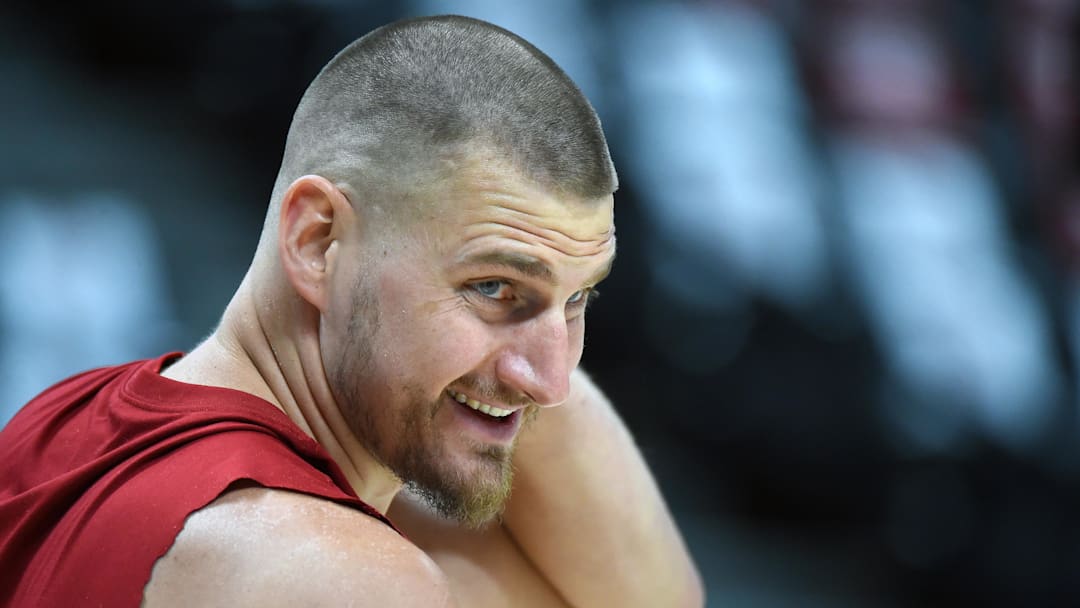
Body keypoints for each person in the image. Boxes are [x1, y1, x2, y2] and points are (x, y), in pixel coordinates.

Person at [0, 15, 704, 607]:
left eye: (578, 297)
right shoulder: (344, 576)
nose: (551, 381)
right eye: (494, 287)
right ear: (317, 241)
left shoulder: (55, 423)